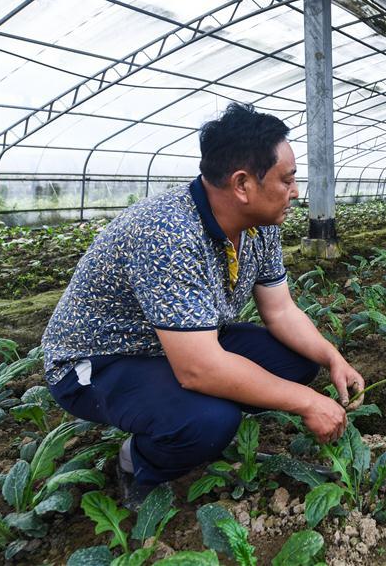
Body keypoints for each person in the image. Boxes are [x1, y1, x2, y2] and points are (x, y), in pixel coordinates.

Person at [42, 103, 364, 504]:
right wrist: (308, 402)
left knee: (298, 361)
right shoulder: (167, 232)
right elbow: (197, 369)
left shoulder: (258, 229)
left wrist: (333, 357)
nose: (296, 192)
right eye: (287, 180)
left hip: (183, 343)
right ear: (242, 184)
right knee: (209, 420)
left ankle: (190, 420)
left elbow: (280, 310)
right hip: (101, 361)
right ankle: (138, 460)